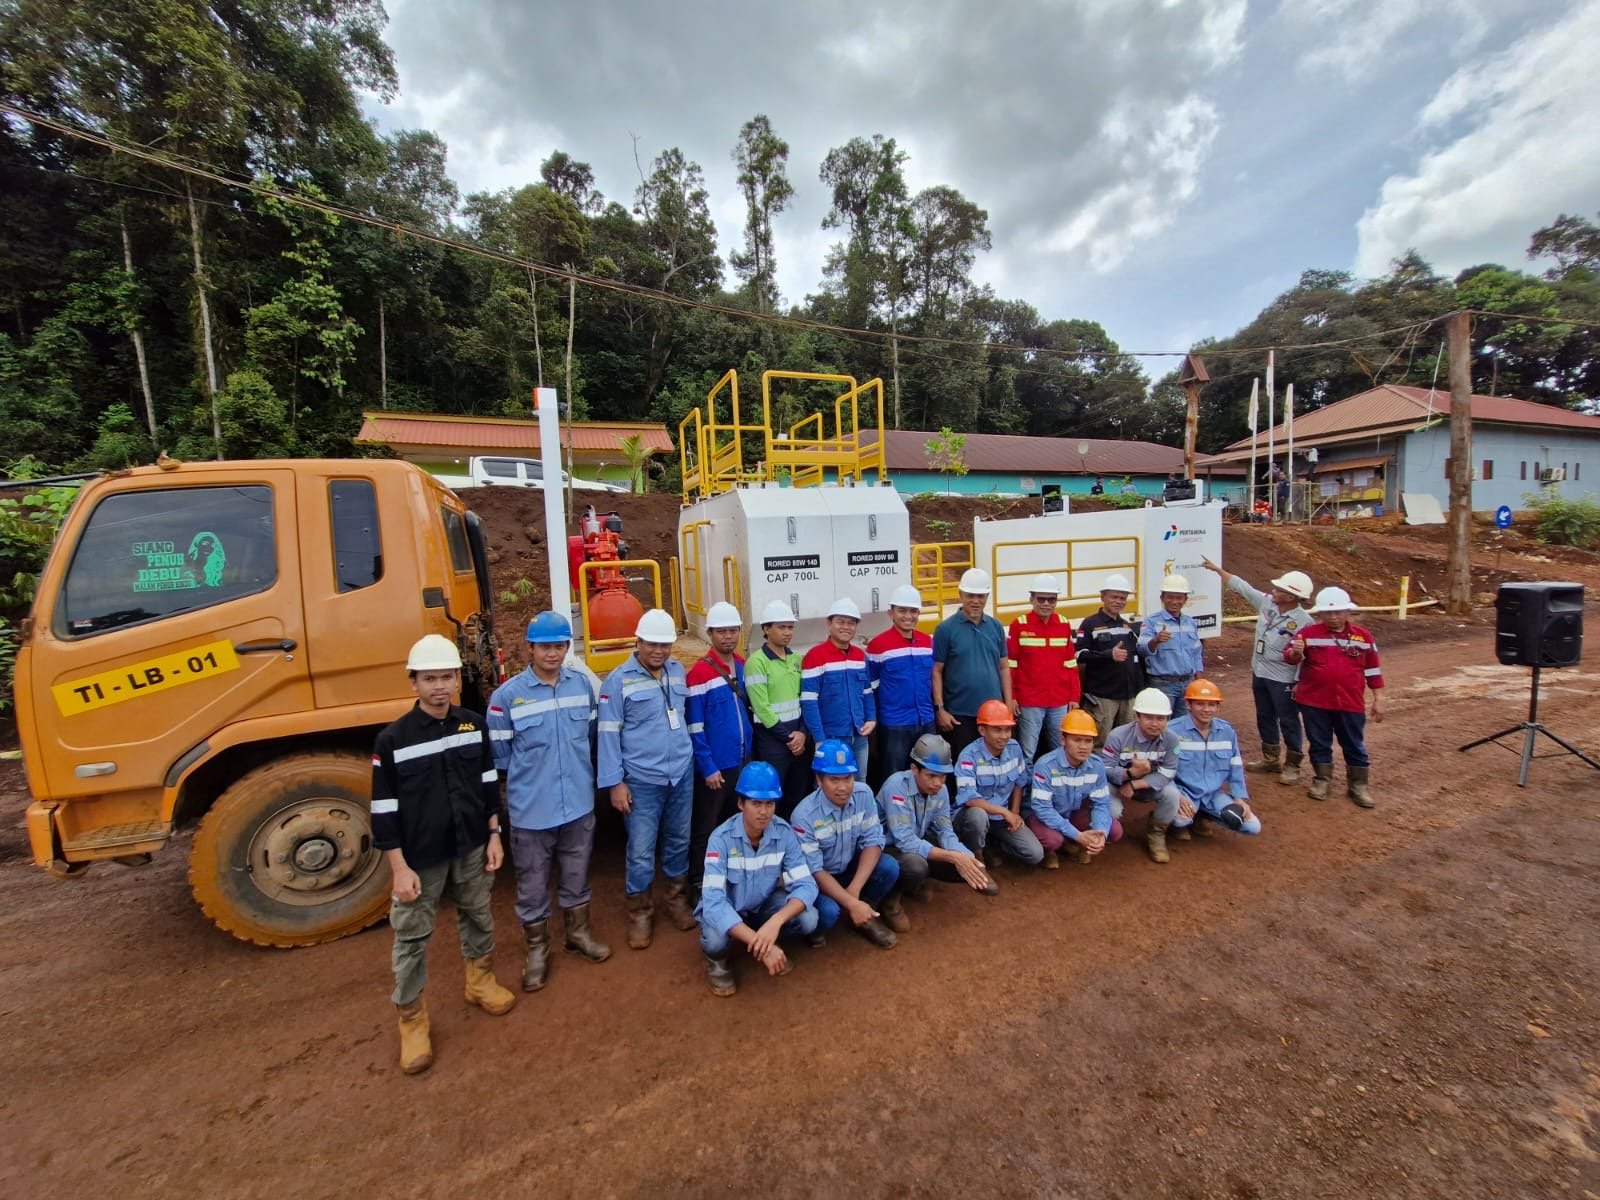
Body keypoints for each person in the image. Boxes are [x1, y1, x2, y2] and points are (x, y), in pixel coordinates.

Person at [372, 634, 515, 1075]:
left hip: (471, 844)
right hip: (421, 857)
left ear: (457, 679)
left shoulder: (473, 725)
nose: (439, 686)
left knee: (478, 915)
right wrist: (399, 868)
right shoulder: (392, 740)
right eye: (429, 678)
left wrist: (494, 834)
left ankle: (480, 982)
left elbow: (488, 785)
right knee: (412, 937)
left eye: (447, 677)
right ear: (413, 682)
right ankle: (412, 1020)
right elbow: (383, 810)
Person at [487, 612, 610, 996]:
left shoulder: (582, 686)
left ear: (567, 647)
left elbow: (591, 735)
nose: (552, 653)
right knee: (532, 882)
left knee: (576, 872)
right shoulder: (506, 697)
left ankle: (578, 934)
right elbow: (501, 758)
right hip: (532, 809)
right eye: (544, 647)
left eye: (559, 646)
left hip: (577, 803)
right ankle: (538, 949)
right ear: (530, 648)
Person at [598, 608, 697, 950]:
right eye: (652, 644)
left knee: (679, 840)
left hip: (680, 774)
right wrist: (615, 783)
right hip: (641, 779)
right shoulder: (617, 681)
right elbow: (607, 734)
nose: (658, 651)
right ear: (637, 642)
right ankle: (640, 912)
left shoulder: (677, 671)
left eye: (665, 645)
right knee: (641, 850)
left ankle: (676, 899)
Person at [696, 761, 820, 998]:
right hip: (730, 909)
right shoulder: (720, 839)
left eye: (769, 803)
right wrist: (760, 943)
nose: (764, 811)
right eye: (756, 803)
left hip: (763, 907)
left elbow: (807, 885)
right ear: (741, 804)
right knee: (714, 942)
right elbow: (713, 902)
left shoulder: (784, 833)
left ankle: (766, 935)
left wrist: (776, 922)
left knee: (809, 918)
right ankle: (719, 959)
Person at [1199, 557, 1313, 785]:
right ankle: (1271, 759)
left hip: (1284, 679)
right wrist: (1218, 570)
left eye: (1279, 589)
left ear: (1291, 597)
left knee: (1288, 720)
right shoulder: (1268, 603)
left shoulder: (1305, 622)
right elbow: (1244, 588)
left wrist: (1299, 681)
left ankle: (1293, 764)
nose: (1273, 590)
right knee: (1264, 715)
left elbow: (1308, 656)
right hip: (1260, 672)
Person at [790, 739, 901, 948]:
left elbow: (873, 840)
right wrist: (850, 902)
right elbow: (814, 869)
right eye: (834, 779)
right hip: (819, 879)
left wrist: (854, 891)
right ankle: (822, 926)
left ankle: (864, 916)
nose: (843, 787)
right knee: (828, 913)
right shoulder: (803, 816)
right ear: (819, 779)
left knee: (889, 867)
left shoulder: (864, 794)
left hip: (849, 867)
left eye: (848, 778)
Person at [1285, 586, 1384, 808]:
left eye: (1338, 612)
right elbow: (1290, 658)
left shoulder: (1363, 637)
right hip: (1314, 701)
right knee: (1319, 742)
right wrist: (1296, 652)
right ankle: (1322, 780)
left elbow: (1373, 669)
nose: (1333, 617)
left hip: (1350, 702)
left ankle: (1358, 786)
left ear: (1348, 611)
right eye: (1327, 613)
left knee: (1354, 744)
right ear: (1320, 613)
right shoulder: (1307, 634)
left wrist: (1379, 697)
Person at [876, 733, 997, 909]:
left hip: (916, 842)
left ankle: (918, 882)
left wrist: (967, 858)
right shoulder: (896, 787)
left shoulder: (941, 790)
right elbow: (905, 841)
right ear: (914, 769)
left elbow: (945, 831)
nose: (938, 783)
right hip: (887, 848)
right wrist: (952, 856)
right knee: (916, 866)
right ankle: (890, 902)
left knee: (964, 867)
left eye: (942, 776)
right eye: (931, 775)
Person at [686, 601, 752, 896]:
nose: (728, 636)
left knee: (732, 823)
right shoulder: (699, 673)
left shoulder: (742, 665)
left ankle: (728, 875)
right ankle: (698, 882)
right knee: (706, 826)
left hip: (741, 761)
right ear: (710, 634)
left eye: (732, 630)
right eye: (721, 631)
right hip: (716, 767)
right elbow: (695, 726)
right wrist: (707, 766)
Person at [952, 699, 1046, 869]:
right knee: (977, 816)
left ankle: (996, 845)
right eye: (997, 730)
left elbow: (1019, 782)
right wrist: (1005, 812)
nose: (1004, 736)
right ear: (982, 730)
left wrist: (1014, 813)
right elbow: (970, 799)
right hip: (974, 815)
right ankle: (977, 854)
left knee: (1035, 854)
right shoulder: (968, 756)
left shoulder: (1014, 748)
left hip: (1002, 818)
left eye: (1007, 729)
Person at [932, 568, 1013, 757]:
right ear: (960, 595)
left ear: (987, 597)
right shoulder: (945, 629)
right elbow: (936, 671)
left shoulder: (995, 627)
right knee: (963, 764)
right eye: (970, 595)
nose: (976, 601)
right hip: (960, 716)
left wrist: (1008, 706)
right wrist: (940, 710)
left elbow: (1004, 667)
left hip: (994, 715)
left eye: (980, 596)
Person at [1027, 708, 1120, 869]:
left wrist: (1101, 833)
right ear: (1063, 740)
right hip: (1046, 816)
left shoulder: (1096, 765)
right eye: (1077, 740)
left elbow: (1101, 803)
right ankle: (1052, 850)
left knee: (1114, 831)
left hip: (1074, 813)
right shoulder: (1045, 765)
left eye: (1088, 741)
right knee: (1053, 840)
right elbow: (1042, 809)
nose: (1083, 746)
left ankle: (1079, 843)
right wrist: (1076, 834)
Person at [1168, 678, 1260, 839]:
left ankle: (1201, 815)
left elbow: (1235, 765)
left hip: (1212, 795)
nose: (1206, 709)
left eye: (1211, 704)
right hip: (1183, 792)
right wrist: (1176, 795)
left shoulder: (1227, 731)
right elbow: (1162, 770)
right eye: (1200, 704)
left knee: (1252, 826)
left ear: (1218, 706)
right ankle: (1169, 818)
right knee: (1180, 820)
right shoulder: (1172, 731)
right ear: (1188, 704)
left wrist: (1239, 798)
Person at [1101, 687, 1184, 864]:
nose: (1154, 723)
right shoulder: (1117, 736)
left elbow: (1168, 772)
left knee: (1172, 795)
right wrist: (1130, 773)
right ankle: (1102, 832)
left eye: (1160, 718)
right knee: (1112, 810)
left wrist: (1135, 784)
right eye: (1148, 717)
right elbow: (1105, 770)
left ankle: (1157, 835)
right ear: (1137, 716)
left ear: (1167, 719)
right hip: (1116, 784)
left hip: (1148, 785)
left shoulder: (1172, 739)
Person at [866, 584, 936, 790]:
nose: (908, 616)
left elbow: (933, 680)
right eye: (902, 610)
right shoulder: (878, 645)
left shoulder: (927, 642)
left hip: (926, 720)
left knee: (928, 775)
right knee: (894, 778)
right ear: (891, 613)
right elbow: (870, 688)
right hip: (895, 724)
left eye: (913, 611)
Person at [744, 599, 810, 815]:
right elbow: (761, 707)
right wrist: (790, 738)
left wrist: (802, 733)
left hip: (798, 739)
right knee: (773, 797)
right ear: (766, 629)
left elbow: (805, 699)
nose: (787, 632)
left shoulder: (796, 659)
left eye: (790, 627)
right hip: (773, 740)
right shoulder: (756, 662)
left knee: (797, 796)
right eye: (782, 627)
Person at [800, 597, 876, 781]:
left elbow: (867, 691)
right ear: (829, 624)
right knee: (829, 786)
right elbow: (809, 702)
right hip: (830, 739)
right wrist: (819, 739)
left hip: (859, 735)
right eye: (840, 622)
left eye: (851, 623)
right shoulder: (815, 656)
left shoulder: (860, 656)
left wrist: (872, 718)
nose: (846, 627)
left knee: (859, 783)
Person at [1007, 573, 1081, 764]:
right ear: (1031, 599)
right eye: (1041, 599)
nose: (1046, 604)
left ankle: (1057, 782)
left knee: (1061, 750)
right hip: (1030, 700)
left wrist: (1074, 697)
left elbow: (1071, 664)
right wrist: (1012, 697)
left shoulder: (1064, 624)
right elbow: (1011, 665)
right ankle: (1026, 784)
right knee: (1028, 752)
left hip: (1059, 700)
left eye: (1051, 599)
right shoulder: (1019, 625)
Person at [1075, 573, 1145, 749]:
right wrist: (1108, 654)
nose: (1119, 601)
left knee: (1128, 743)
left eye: (1123, 598)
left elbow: (1135, 661)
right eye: (1114, 597)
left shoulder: (1127, 626)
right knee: (1100, 742)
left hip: (1128, 697)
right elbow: (1079, 655)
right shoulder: (1090, 624)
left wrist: (1138, 691)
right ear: (1103, 597)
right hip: (1103, 697)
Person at [1138, 573, 1204, 718]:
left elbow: (1196, 653)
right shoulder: (1151, 622)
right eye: (1170, 597)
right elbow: (1141, 648)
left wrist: (1199, 681)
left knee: (1184, 724)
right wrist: (1156, 640)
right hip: (1162, 684)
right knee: (1161, 723)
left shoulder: (1190, 623)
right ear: (1162, 598)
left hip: (1187, 683)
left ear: (1185, 599)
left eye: (1179, 597)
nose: (1174, 601)